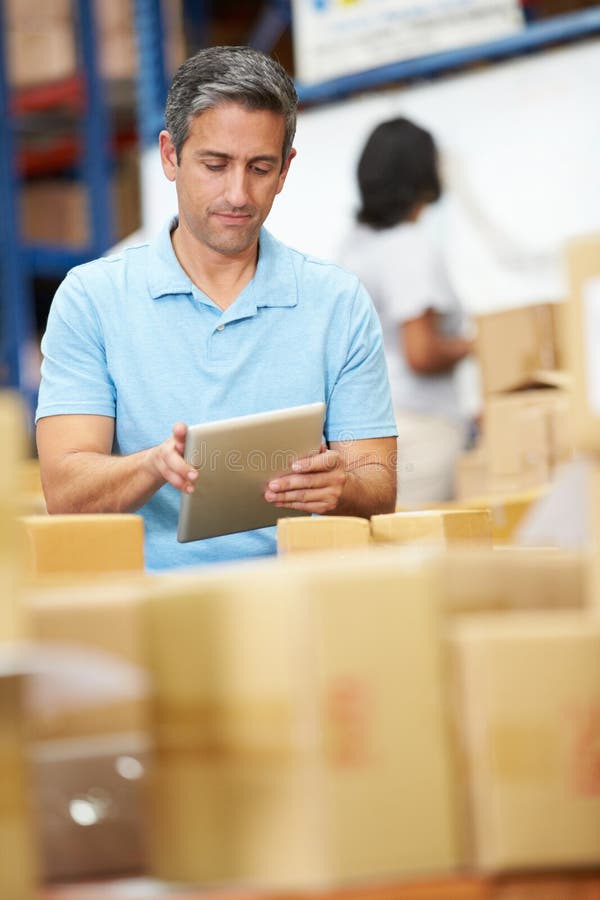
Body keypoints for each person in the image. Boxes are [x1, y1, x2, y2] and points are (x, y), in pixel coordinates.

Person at [36, 45, 397, 571]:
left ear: (285, 169)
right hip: (150, 606)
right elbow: (64, 495)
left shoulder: (337, 302)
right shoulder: (91, 300)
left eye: (260, 167)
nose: (238, 194)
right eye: (215, 164)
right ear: (169, 156)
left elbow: (379, 485)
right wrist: (153, 466)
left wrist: (342, 486)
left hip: (299, 596)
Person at [337, 117, 473, 505]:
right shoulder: (409, 247)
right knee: (421, 556)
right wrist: (481, 346)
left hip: (365, 428)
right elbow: (422, 352)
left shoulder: (354, 246)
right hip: (420, 426)